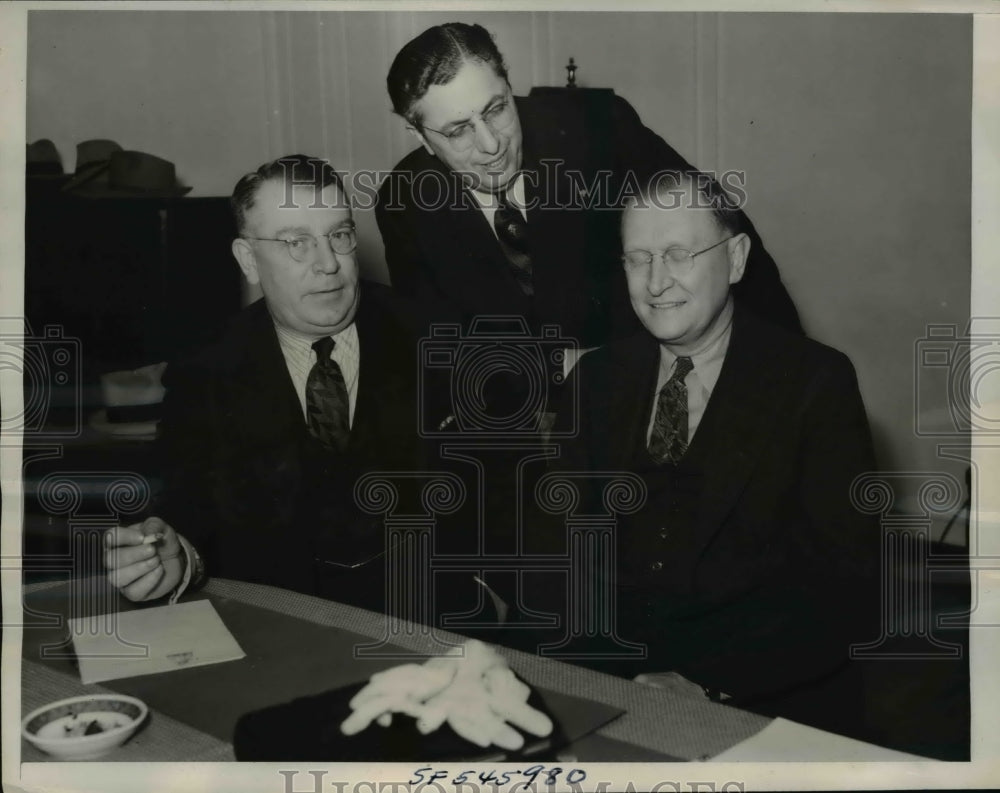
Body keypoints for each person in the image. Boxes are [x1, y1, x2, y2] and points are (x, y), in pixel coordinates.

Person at [547, 171, 880, 736]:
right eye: (638, 258)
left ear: (736, 259)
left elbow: (843, 589)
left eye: (678, 254)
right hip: (610, 685)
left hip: (762, 696)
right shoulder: (596, 378)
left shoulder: (814, 383)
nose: (656, 282)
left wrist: (705, 687)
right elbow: (564, 557)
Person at [103, 155, 445, 612]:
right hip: (284, 631)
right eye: (296, 243)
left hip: (429, 624)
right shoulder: (207, 367)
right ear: (248, 260)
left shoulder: (432, 338)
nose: (329, 264)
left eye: (339, 236)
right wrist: (181, 558)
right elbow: (188, 499)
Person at [377, 22, 802, 351]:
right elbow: (439, 346)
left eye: (496, 109)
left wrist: (789, 372)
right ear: (419, 136)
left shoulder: (598, 130)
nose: (491, 145)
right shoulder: (404, 204)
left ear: (509, 85)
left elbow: (725, 233)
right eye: (457, 131)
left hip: (635, 381)